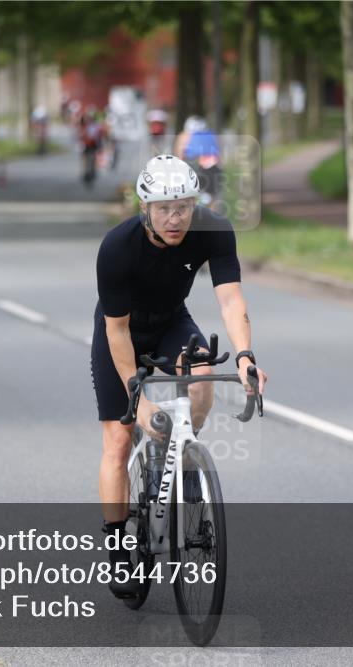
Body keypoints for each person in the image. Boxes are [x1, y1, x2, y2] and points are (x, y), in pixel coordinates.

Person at [91, 154, 268, 597]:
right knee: (118, 440)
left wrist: (245, 357)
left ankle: (184, 451)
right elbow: (116, 329)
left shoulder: (214, 229)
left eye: (184, 207)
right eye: (165, 209)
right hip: (122, 332)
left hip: (171, 321)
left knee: (204, 367)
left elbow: (230, 300)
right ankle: (118, 555)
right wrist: (141, 397)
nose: (176, 219)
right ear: (145, 208)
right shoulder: (117, 247)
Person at [78, 111, 103, 186]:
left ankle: (91, 172)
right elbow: (81, 136)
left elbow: (98, 137)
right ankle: (86, 173)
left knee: (92, 159)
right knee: (85, 159)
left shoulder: (95, 126)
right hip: (86, 145)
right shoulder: (84, 126)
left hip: (92, 145)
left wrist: (99, 146)